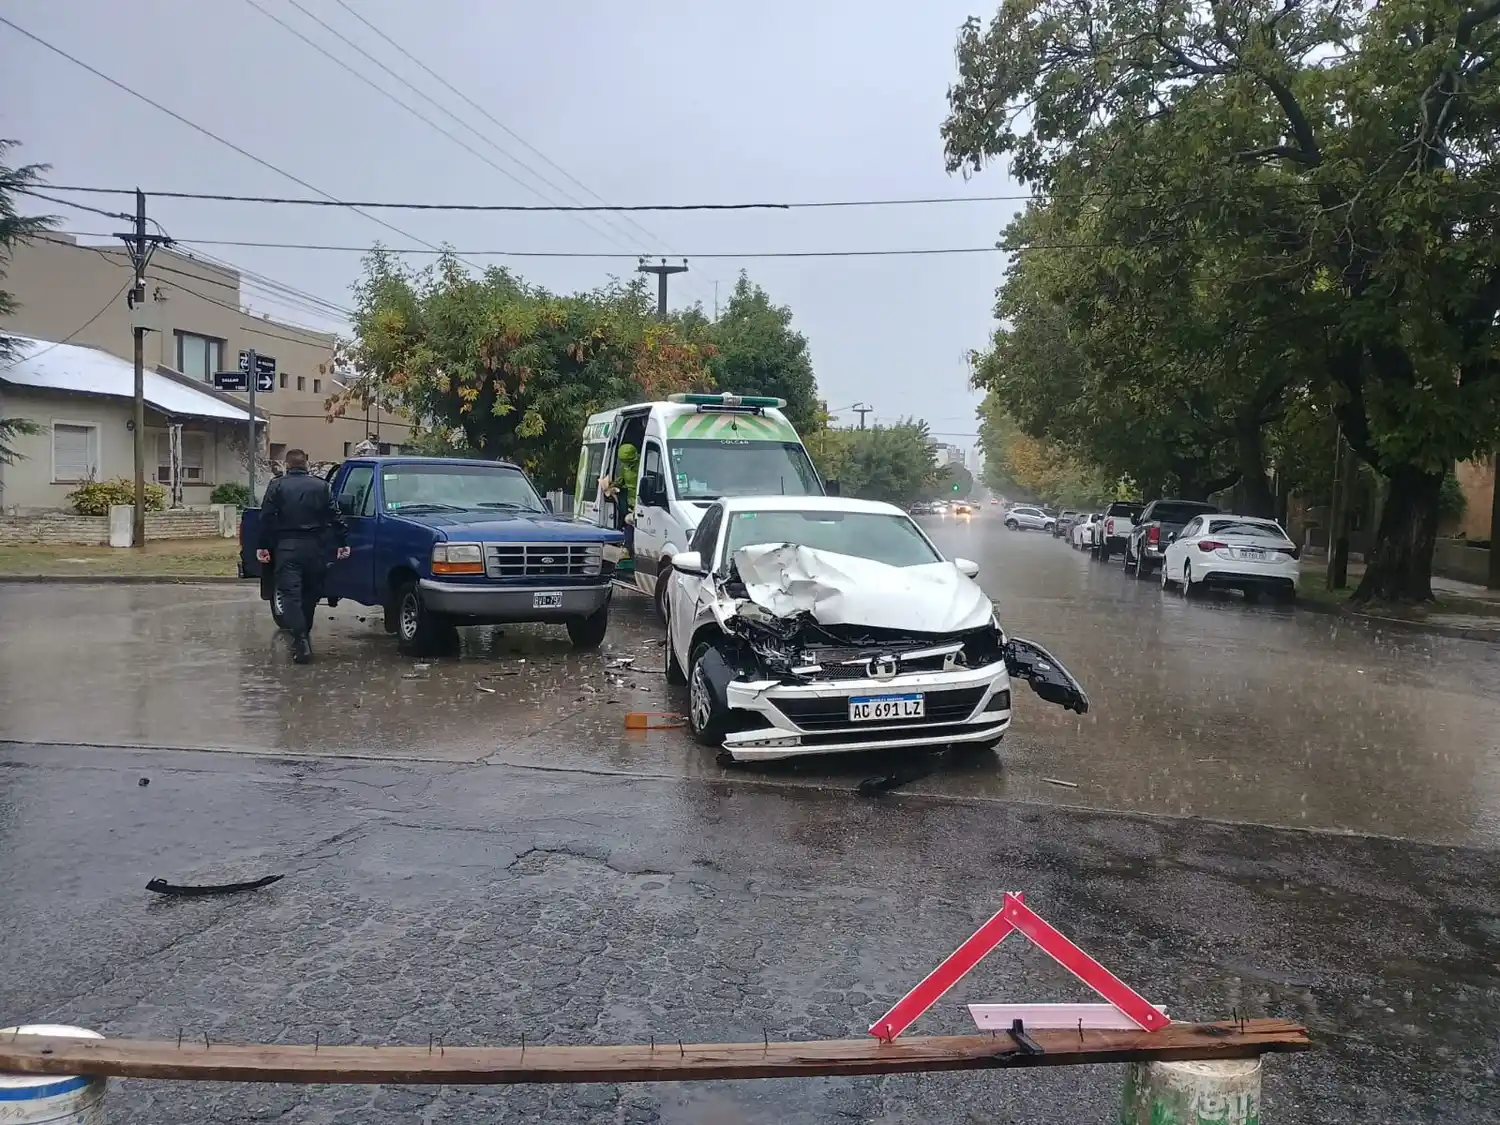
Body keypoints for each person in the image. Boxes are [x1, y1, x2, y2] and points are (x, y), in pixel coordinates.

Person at [255, 448, 350, 664]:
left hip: (287, 547)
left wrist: (263, 546)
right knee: (310, 596)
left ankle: (301, 639)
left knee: (291, 596)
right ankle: (303, 635)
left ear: (287, 465)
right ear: (306, 464)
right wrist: (343, 542)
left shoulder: (277, 486)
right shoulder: (322, 486)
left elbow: (267, 517)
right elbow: (335, 516)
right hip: (315, 547)